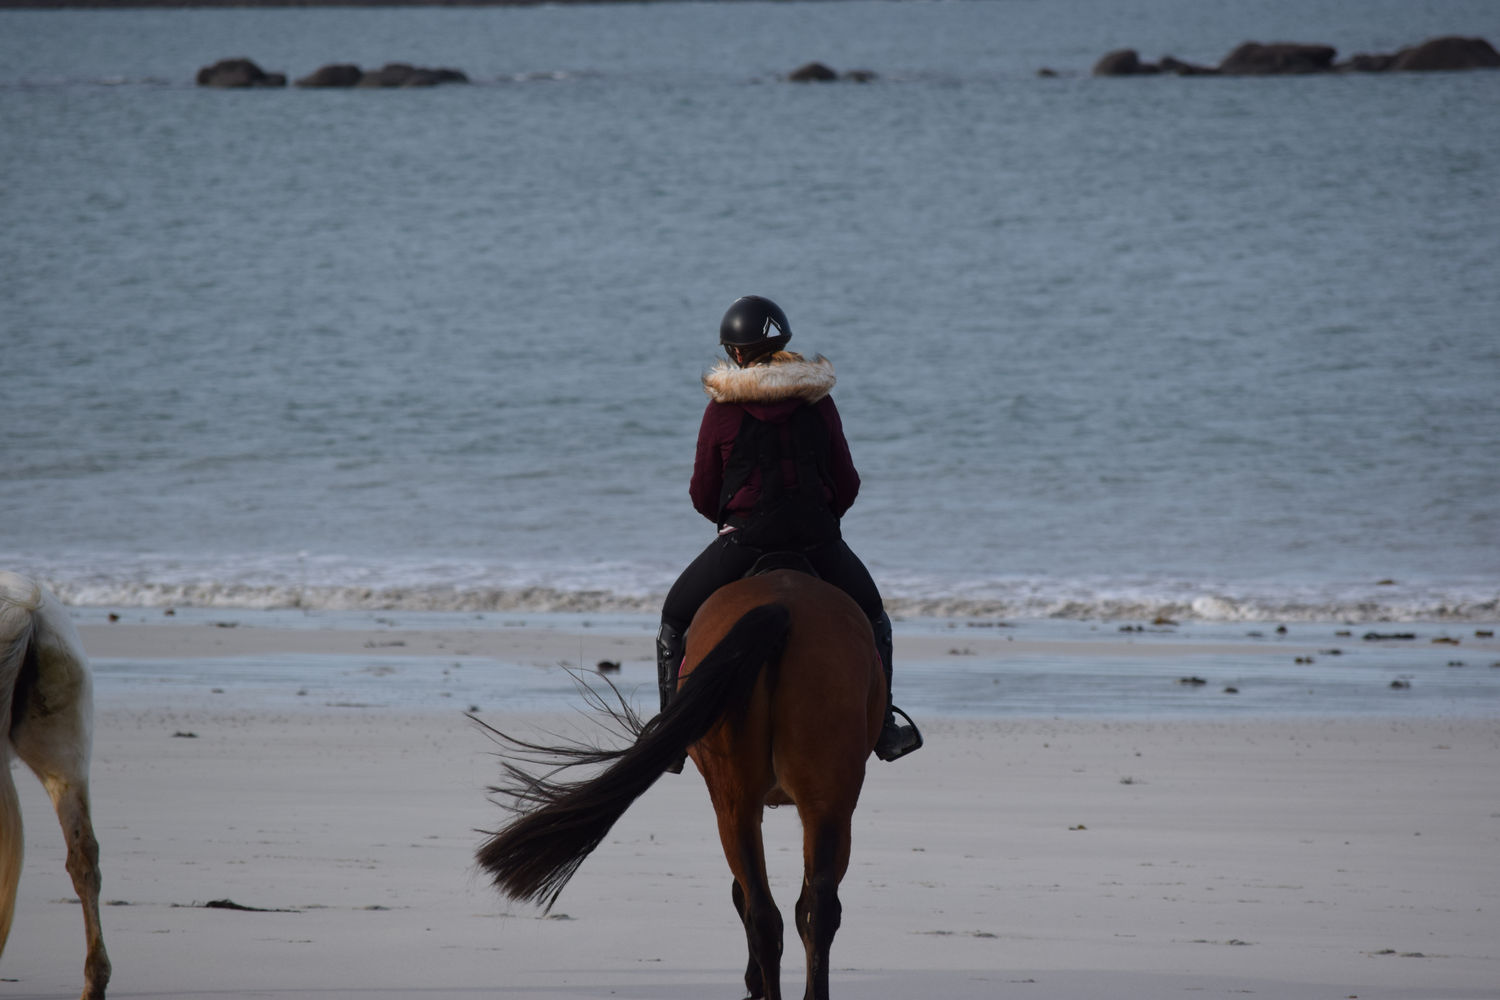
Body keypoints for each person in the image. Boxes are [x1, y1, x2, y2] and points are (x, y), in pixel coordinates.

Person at [656, 295, 922, 769]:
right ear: (783, 343)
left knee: (675, 619)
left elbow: (702, 492)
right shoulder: (818, 402)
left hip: (745, 541)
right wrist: (819, 521)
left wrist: (732, 521)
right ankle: (884, 730)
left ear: (736, 353)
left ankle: (671, 737)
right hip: (817, 541)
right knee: (875, 618)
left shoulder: (722, 409)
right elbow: (847, 484)